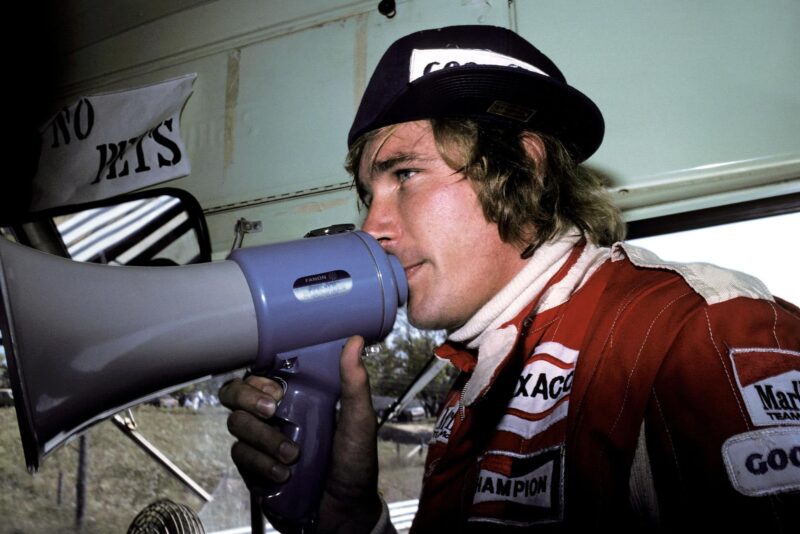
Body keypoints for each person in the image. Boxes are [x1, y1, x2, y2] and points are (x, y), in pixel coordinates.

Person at [220, 25, 800, 532]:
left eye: (405, 173)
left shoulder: (696, 330)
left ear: (521, 167)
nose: (373, 227)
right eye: (369, 194)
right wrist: (351, 515)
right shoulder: (479, 375)